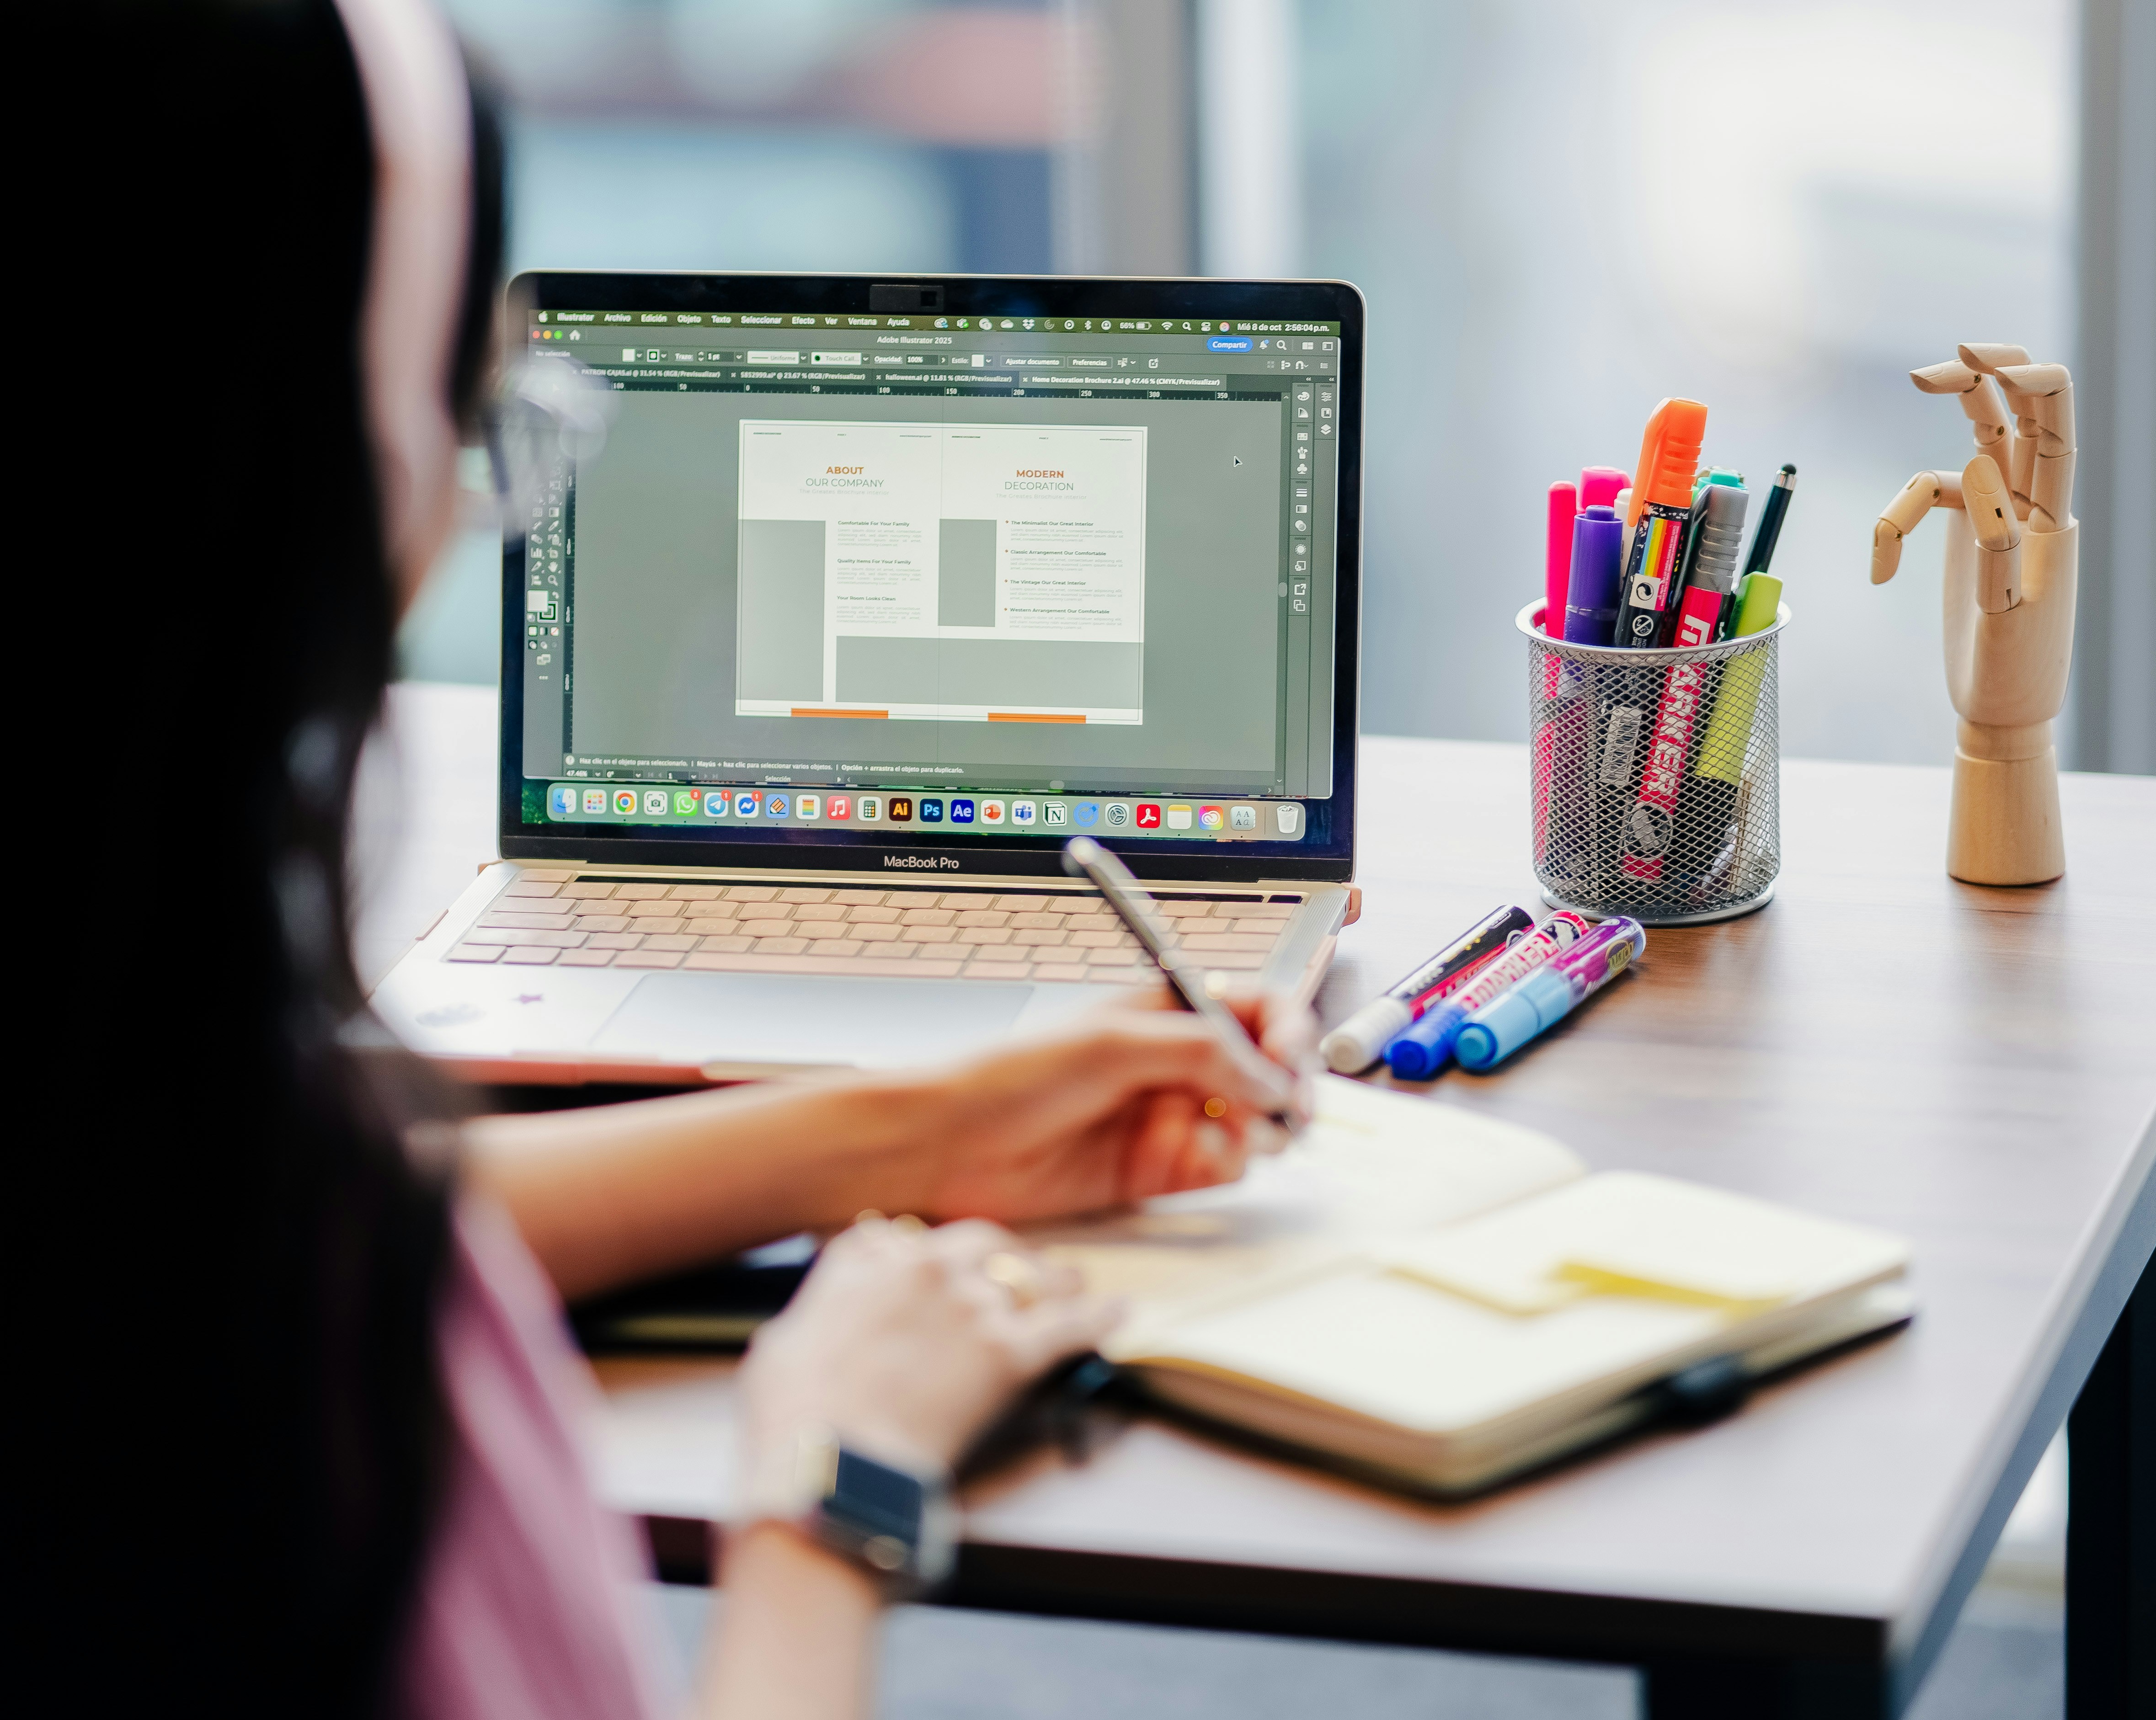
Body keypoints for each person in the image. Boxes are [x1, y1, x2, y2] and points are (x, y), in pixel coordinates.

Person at [40, 3, 1312, 1715]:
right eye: (463, 431)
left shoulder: (137, 1126)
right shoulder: (273, 1477)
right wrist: (834, 1484)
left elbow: (254, 1208)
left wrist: (919, 1128)